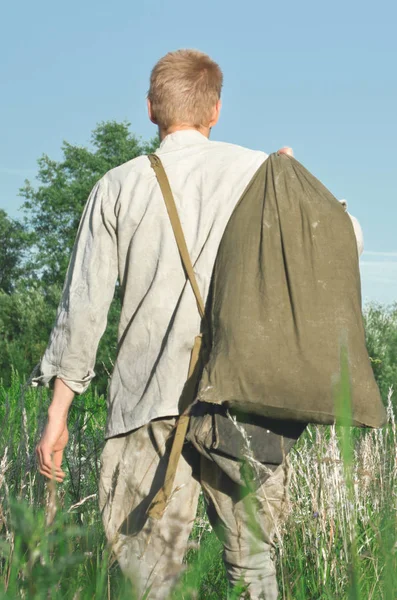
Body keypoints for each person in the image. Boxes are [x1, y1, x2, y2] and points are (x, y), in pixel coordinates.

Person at [34, 49, 362, 599]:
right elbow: (345, 240)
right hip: (241, 403)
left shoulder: (117, 186)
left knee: (150, 586)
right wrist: (296, 182)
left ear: (149, 108)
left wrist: (57, 415)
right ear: (216, 109)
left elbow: (83, 312)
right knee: (255, 573)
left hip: (148, 405)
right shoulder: (263, 173)